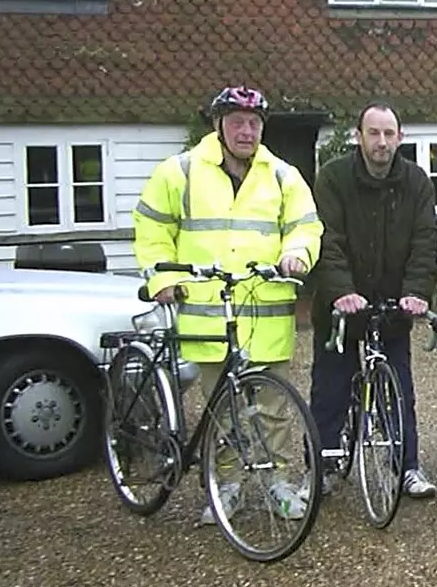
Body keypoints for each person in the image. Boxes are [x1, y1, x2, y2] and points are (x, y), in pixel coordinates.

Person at [133, 85, 322, 522]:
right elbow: (152, 227)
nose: (246, 130)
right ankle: (227, 486)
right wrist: (164, 277)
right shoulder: (178, 172)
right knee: (222, 409)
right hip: (208, 312)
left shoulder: (282, 175)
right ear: (217, 125)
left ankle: (279, 483)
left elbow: (306, 227)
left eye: (254, 123)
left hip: (267, 312)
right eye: (236, 121)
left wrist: (296, 255)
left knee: (275, 410)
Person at [308, 101, 437, 500]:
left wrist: (416, 294)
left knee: (399, 385)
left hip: (392, 306)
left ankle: (407, 466)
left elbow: (425, 242)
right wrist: (341, 291)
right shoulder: (333, 178)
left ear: (400, 138)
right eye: (374, 133)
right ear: (358, 136)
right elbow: (327, 240)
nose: (381, 142)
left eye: (389, 134)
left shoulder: (417, 182)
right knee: (330, 387)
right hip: (342, 306)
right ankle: (324, 465)